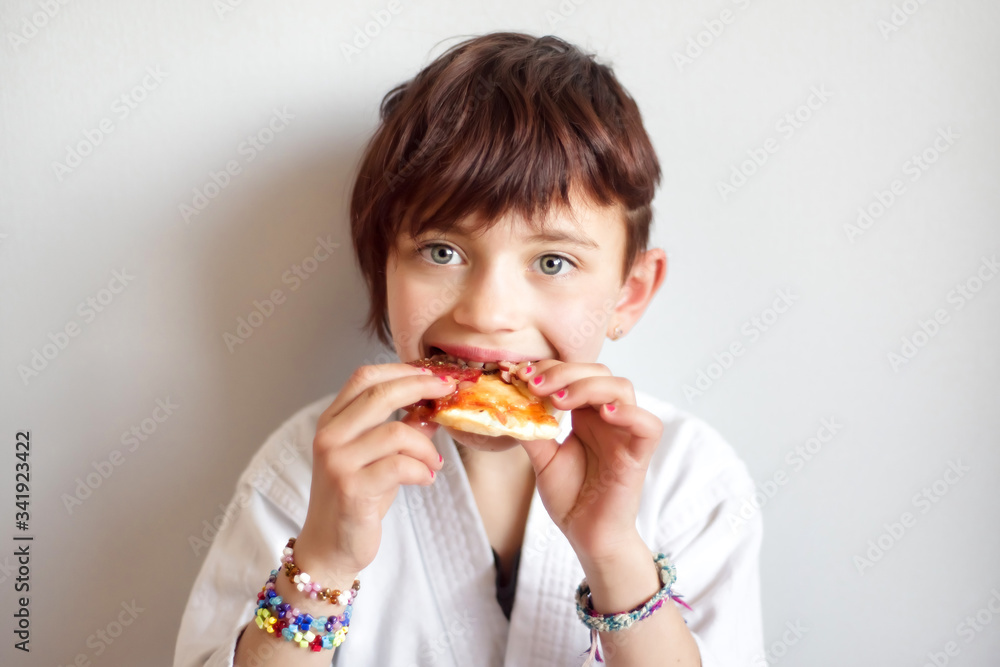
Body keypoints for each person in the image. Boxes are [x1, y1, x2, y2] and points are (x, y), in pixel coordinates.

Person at [173, 31, 764, 667]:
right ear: (383, 271)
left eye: (553, 260)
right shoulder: (308, 470)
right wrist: (324, 561)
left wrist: (615, 553)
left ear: (629, 293)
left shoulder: (692, 481)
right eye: (442, 252)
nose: (485, 312)